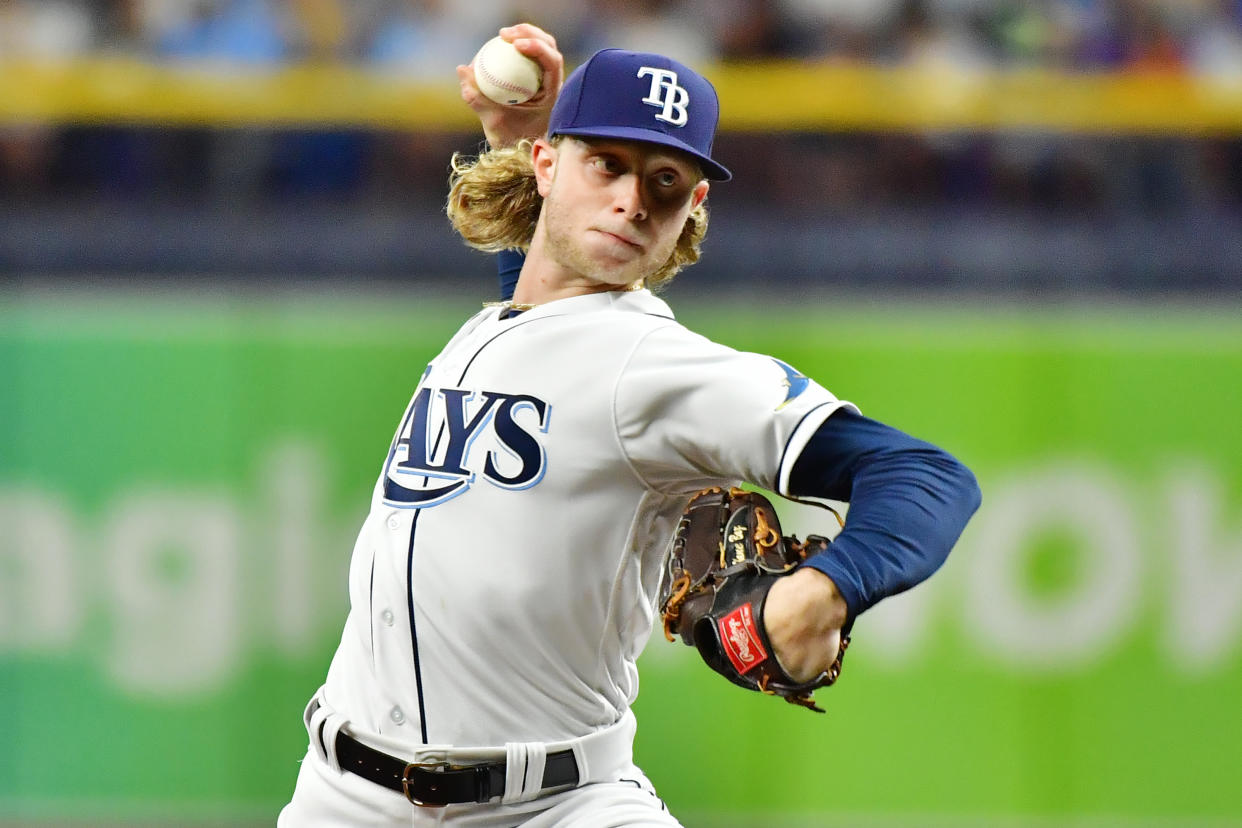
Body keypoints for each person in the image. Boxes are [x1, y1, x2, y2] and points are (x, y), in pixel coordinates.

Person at [279, 23, 981, 827]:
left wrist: (828, 590)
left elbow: (929, 476)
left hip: (558, 806)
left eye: (665, 182)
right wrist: (516, 130)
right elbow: (547, 306)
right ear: (547, 166)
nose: (631, 201)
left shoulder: (656, 365)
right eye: (606, 164)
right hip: (343, 798)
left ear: (693, 210)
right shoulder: (510, 321)